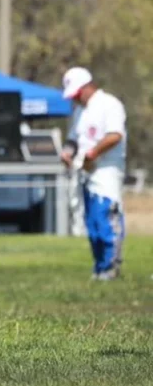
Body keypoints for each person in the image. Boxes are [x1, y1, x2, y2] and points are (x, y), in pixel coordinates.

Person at [59, 67, 127, 280]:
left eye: (77, 94)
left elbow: (115, 135)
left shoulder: (110, 104)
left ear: (87, 87)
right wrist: (68, 152)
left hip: (106, 170)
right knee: (92, 221)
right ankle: (99, 266)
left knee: (107, 216)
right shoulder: (81, 110)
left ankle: (111, 266)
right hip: (86, 171)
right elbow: (73, 138)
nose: (75, 99)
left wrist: (93, 154)